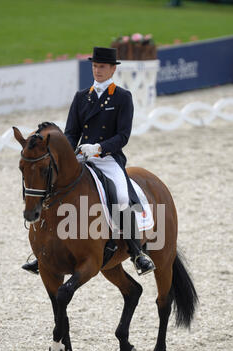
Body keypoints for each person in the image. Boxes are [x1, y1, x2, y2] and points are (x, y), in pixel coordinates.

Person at [22, 46, 155, 276]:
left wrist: (100, 148)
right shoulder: (82, 97)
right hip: (82, 157)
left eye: (102, 66)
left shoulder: (122, 97)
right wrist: (70, 152)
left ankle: (136, 253)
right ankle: (43, 251)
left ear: (113, 69)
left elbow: (123, 136)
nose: (98, 70)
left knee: (122, 196)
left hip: (108, 158)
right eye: (95, 66)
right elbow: (71, 132)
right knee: (51, 189)